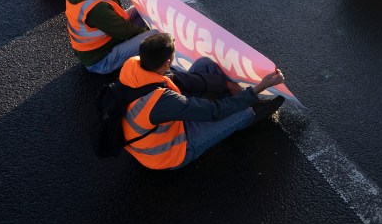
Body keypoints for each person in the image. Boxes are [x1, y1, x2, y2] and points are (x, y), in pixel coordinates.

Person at [119, 33, 286, 170]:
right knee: (242, 112)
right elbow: (214, 111)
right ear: (167, 63)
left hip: (155, 129)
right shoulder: (161, 101)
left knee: (203, 64)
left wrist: (226, 84)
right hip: (163, 153)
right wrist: (259, 87)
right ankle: (252, 112)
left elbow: (182, 78)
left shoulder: (136, 66)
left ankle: (235, 99)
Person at [65, 0, 158, 73]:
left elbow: (113, 5)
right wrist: (146, 35)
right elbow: (124, 31)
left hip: (103, 45)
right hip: (101, 61)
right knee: (156, 36)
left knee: (140, 9)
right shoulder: (95, 8)